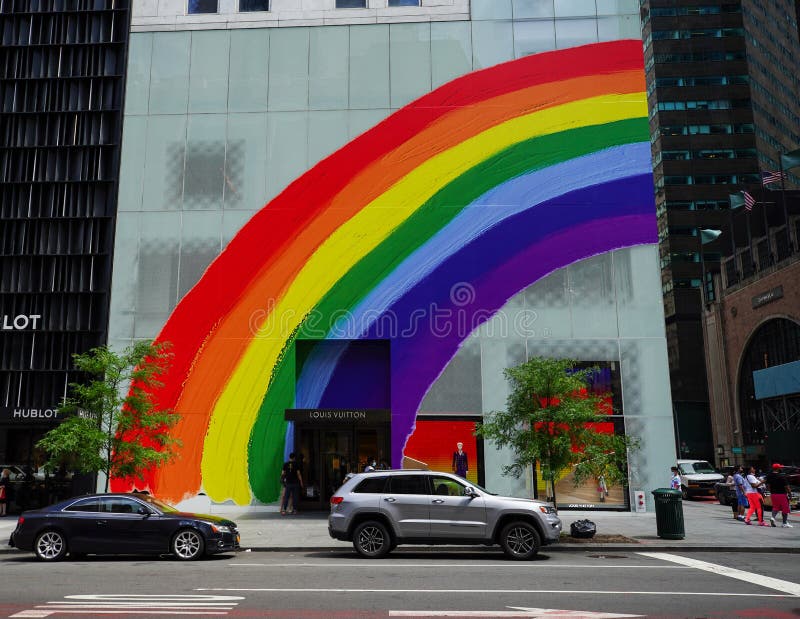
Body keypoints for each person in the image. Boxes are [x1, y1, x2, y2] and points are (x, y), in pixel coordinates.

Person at [765, 463, 792, 528]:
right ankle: (784, 523)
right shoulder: (782, 476)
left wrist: (771, 491)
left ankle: (773, 517)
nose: (781, 468)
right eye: (780, 467)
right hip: (782, 494)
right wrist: (790, 494)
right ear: (778, 468)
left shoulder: (769, 476)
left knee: (775, 507)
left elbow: (768, 486)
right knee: (785, 508)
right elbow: (787, 487)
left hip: (773, 494)